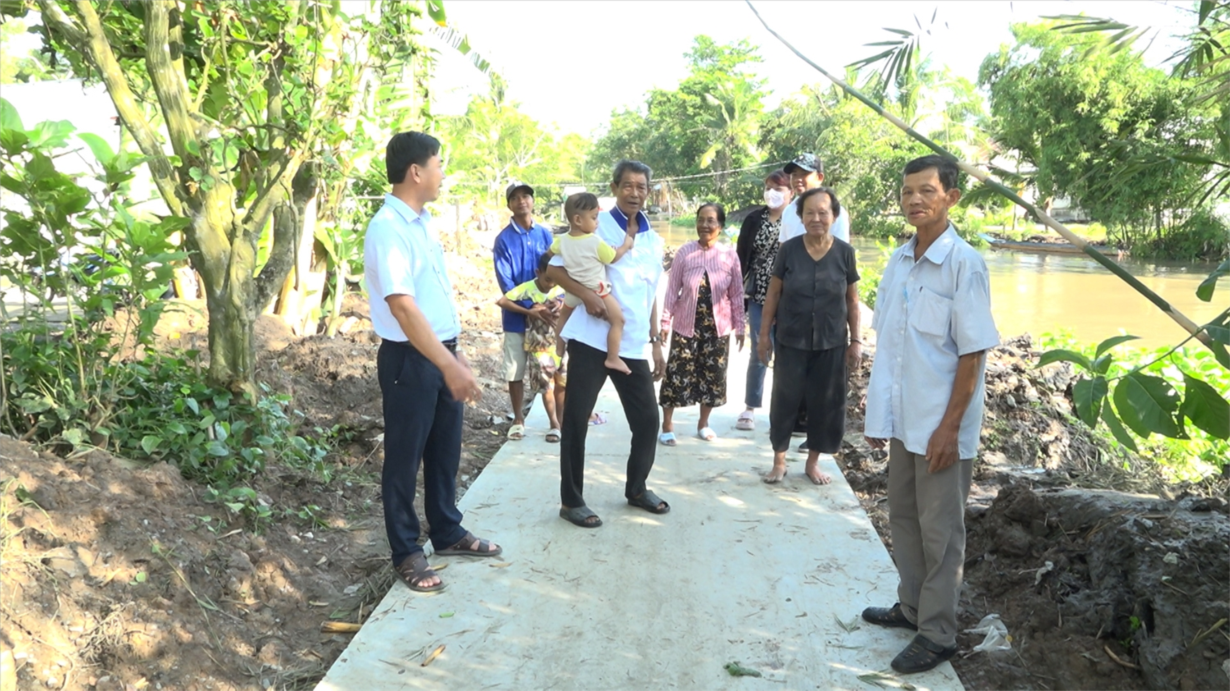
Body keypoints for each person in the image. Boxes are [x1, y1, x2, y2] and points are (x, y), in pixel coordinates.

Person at [860, 155, 999, 674]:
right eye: (907, 192)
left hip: (942, 427)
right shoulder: (899, 261)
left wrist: (949, 427)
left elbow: (972, 353)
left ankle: (938, 633)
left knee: (941, 532)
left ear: (951, 197)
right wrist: (882, 417)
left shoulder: (965, 264)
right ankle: (912, 608)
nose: (914, 200)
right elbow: (892, 346)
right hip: (904, 421)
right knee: (903, 518)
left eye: (926, 191)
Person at [363, 131, 502, 595]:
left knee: (444, 450)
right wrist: (446, 365)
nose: (443, 173)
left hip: (439, 349)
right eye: (438, 164)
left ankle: (446, 531)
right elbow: (403, 307)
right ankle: (405, 550)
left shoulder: (423, 223)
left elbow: (432, 296)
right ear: (416, 171)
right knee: (404, 458)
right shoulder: (389, 228)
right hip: (410, 359)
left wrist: (455, 352)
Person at [546, 160, 669, 529]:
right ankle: (572, 501)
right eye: (627, 185)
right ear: (615, 187)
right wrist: (587, 295)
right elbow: (553, 271)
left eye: (641, 187)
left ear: (648, 192)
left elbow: (650, 292)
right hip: (591, 340)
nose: (635, 193)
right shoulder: (594, 224)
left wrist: (656, 340)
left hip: (631, 345)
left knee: (648, 420)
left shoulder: (653, 238)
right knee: (577, 420)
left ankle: (637, 488)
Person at [757, 187, 860, 486]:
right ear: (800, 218)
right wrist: (764, 336)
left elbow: (852, 301)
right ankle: (779, 461)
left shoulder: (845, 253)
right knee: (784, 399)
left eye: (823, 212)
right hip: (791, 340)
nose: (816, 218)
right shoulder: (788, 250)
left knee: (826, 403)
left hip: (832, 342)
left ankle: (813, 463)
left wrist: (856, 341)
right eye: (809, 213)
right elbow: (773, 294)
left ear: (834, 216)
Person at [658, 203, 745, 444]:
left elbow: (737, 294)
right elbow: (672, 290)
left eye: (711, 220)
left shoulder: (729, 255)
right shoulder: (685, 252)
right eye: (701, 219)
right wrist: (665, 322)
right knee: (676, 375)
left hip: (717, 328)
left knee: (713, 376)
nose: (705, 225)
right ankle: (666, 425)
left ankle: (703, 423)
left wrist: (740, 326)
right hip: (686, 326)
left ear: (720, 225)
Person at [493, 181, 554, 441]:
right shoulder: (503, 240)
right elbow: (505, 282)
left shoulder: (545, 235)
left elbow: (557, 269)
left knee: (549, 369)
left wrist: (552, 304)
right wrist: (531, 307)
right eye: (515, 197)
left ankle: (555, 421)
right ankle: (518, 419)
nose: (521, 201)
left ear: (532, 200)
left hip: (547, 319)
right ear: (509, 204)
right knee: (515, 369)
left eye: (526, 196)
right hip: (517, 316)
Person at [551, 192, 638, 375]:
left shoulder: (562, 240)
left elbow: (549, 255)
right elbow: (613, 258)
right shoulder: (594, 241)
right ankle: (613, 358)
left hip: (573, 293)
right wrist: (626, 244)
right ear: (577, 219)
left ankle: (559, 349)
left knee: (564, 316)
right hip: (597, 292)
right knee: (618, 321)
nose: (597, 222)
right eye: (594, 217)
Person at [734, 169, 793, 431]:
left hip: (791, 296)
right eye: (769, 187)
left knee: (787, 354)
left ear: (790, 193)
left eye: (779, 189)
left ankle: (782, 411)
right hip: (758, 293)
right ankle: (750, 407)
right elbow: (740, 257)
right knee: (760, 347)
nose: (773, 193)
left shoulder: (798, 219)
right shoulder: (754, 219)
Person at [495, 253, 567, 442]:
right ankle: (550, 423)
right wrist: (529, 311)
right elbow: (502, 300)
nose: (551, 284)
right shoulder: (528, 289)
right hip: (539, 346)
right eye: (548, 279)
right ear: (538, 272)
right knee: (545, 386)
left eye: (555, 279)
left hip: (559, 344)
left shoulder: (561, 288)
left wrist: (559, 303)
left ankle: (559, 423)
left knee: (562, 383)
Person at [780, 153, 850, 243]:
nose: (798, 179)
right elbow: (783, 248)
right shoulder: (788, 211)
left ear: (819, 178)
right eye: (794, 175)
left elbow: (841, 252)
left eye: (804, 174)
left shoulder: (836, 212)